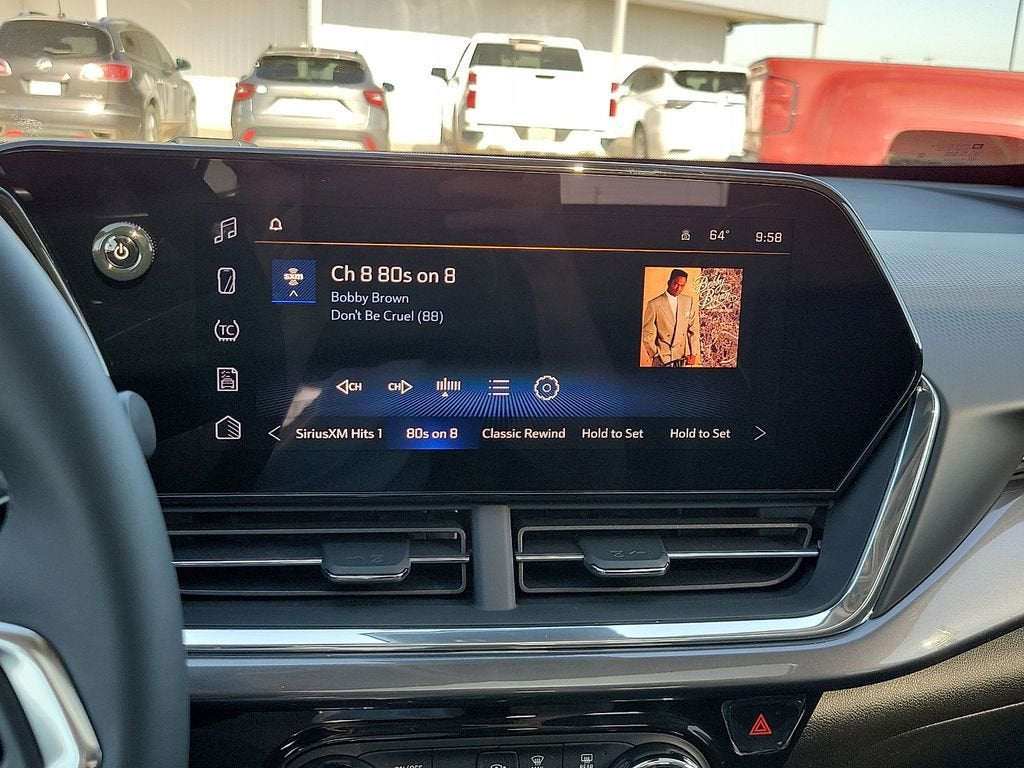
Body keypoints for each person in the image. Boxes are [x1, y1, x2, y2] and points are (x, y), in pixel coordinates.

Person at [641, 269, 699, 367]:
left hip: (683, 358)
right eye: (676, 284)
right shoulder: (654, 304)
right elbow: (647, 333)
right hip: (663, 358)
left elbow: (693, 329)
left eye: (682, 285)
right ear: (669, 282)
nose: (678, 288)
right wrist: (655, 354)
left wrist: (693, 354)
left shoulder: (689, 301)